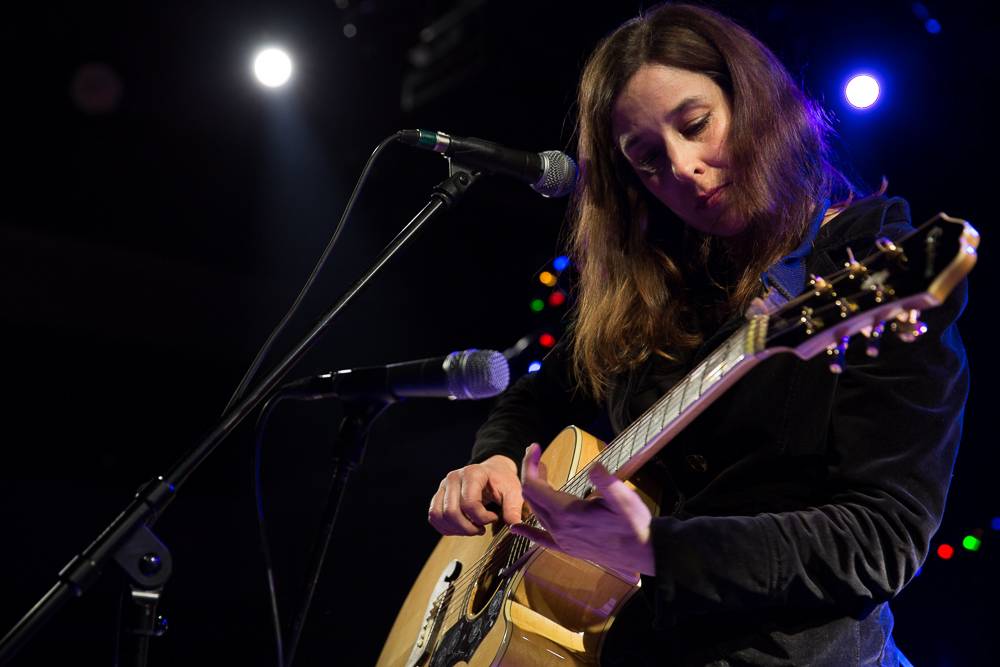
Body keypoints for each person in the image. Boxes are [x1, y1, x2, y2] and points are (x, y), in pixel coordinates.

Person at [427, 3, 968, 665]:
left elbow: (883, 539)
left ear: (755, 102)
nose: (682, 168)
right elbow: (545, 394)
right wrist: (496, 459)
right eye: (647, 159)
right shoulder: (651, 272)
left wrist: (659, 549)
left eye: (696, 124)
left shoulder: (866, 269)